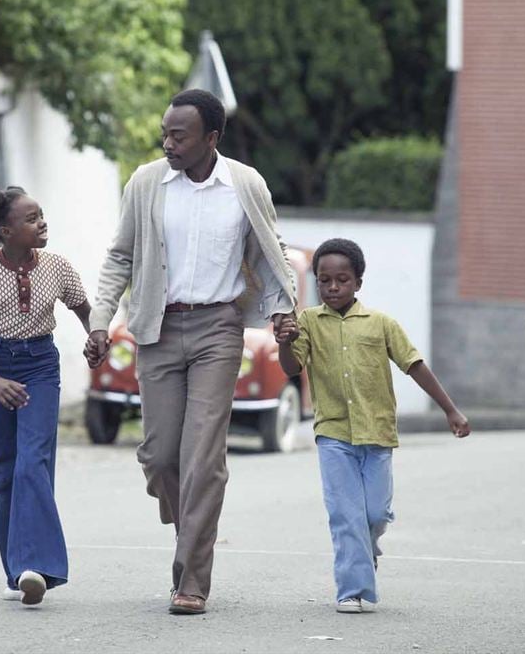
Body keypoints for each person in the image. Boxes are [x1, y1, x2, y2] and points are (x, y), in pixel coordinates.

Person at [85, 89, 297, 615]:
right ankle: (192, 533)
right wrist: (100, 321)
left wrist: (283, 310)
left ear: (212, 138)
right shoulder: (145, 183)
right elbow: (119, 257)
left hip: (218, 330)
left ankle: (192, 578)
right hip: (156, 328)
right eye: (165, 133)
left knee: (203, 455)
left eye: (179, 135)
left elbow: (272, 253)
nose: (168, 143)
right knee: (159, 458)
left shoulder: (245, 184)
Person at [275, 238, 470, 614]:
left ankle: (367, 547)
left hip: (377, 433)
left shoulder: (381, 324)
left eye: (342, 280)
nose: (333, 288)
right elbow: (290, 368)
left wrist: (451, 410)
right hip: (333, 434)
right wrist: (286, 342)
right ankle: (352, 589)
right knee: (345, 514)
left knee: (375, 514)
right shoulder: (307, 323)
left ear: (358, 283)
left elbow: (414, 364)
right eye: (325, 280)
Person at [0, 187, 93, 606]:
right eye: (32, 218)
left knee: (32, 462)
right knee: (3, 470)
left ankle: (39, 567)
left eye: (42, 215)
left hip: (39, 367)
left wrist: (97, 338)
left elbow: (85, 310)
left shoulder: (57, 266)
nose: (42, 223)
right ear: (6, 230)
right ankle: (16, 571)